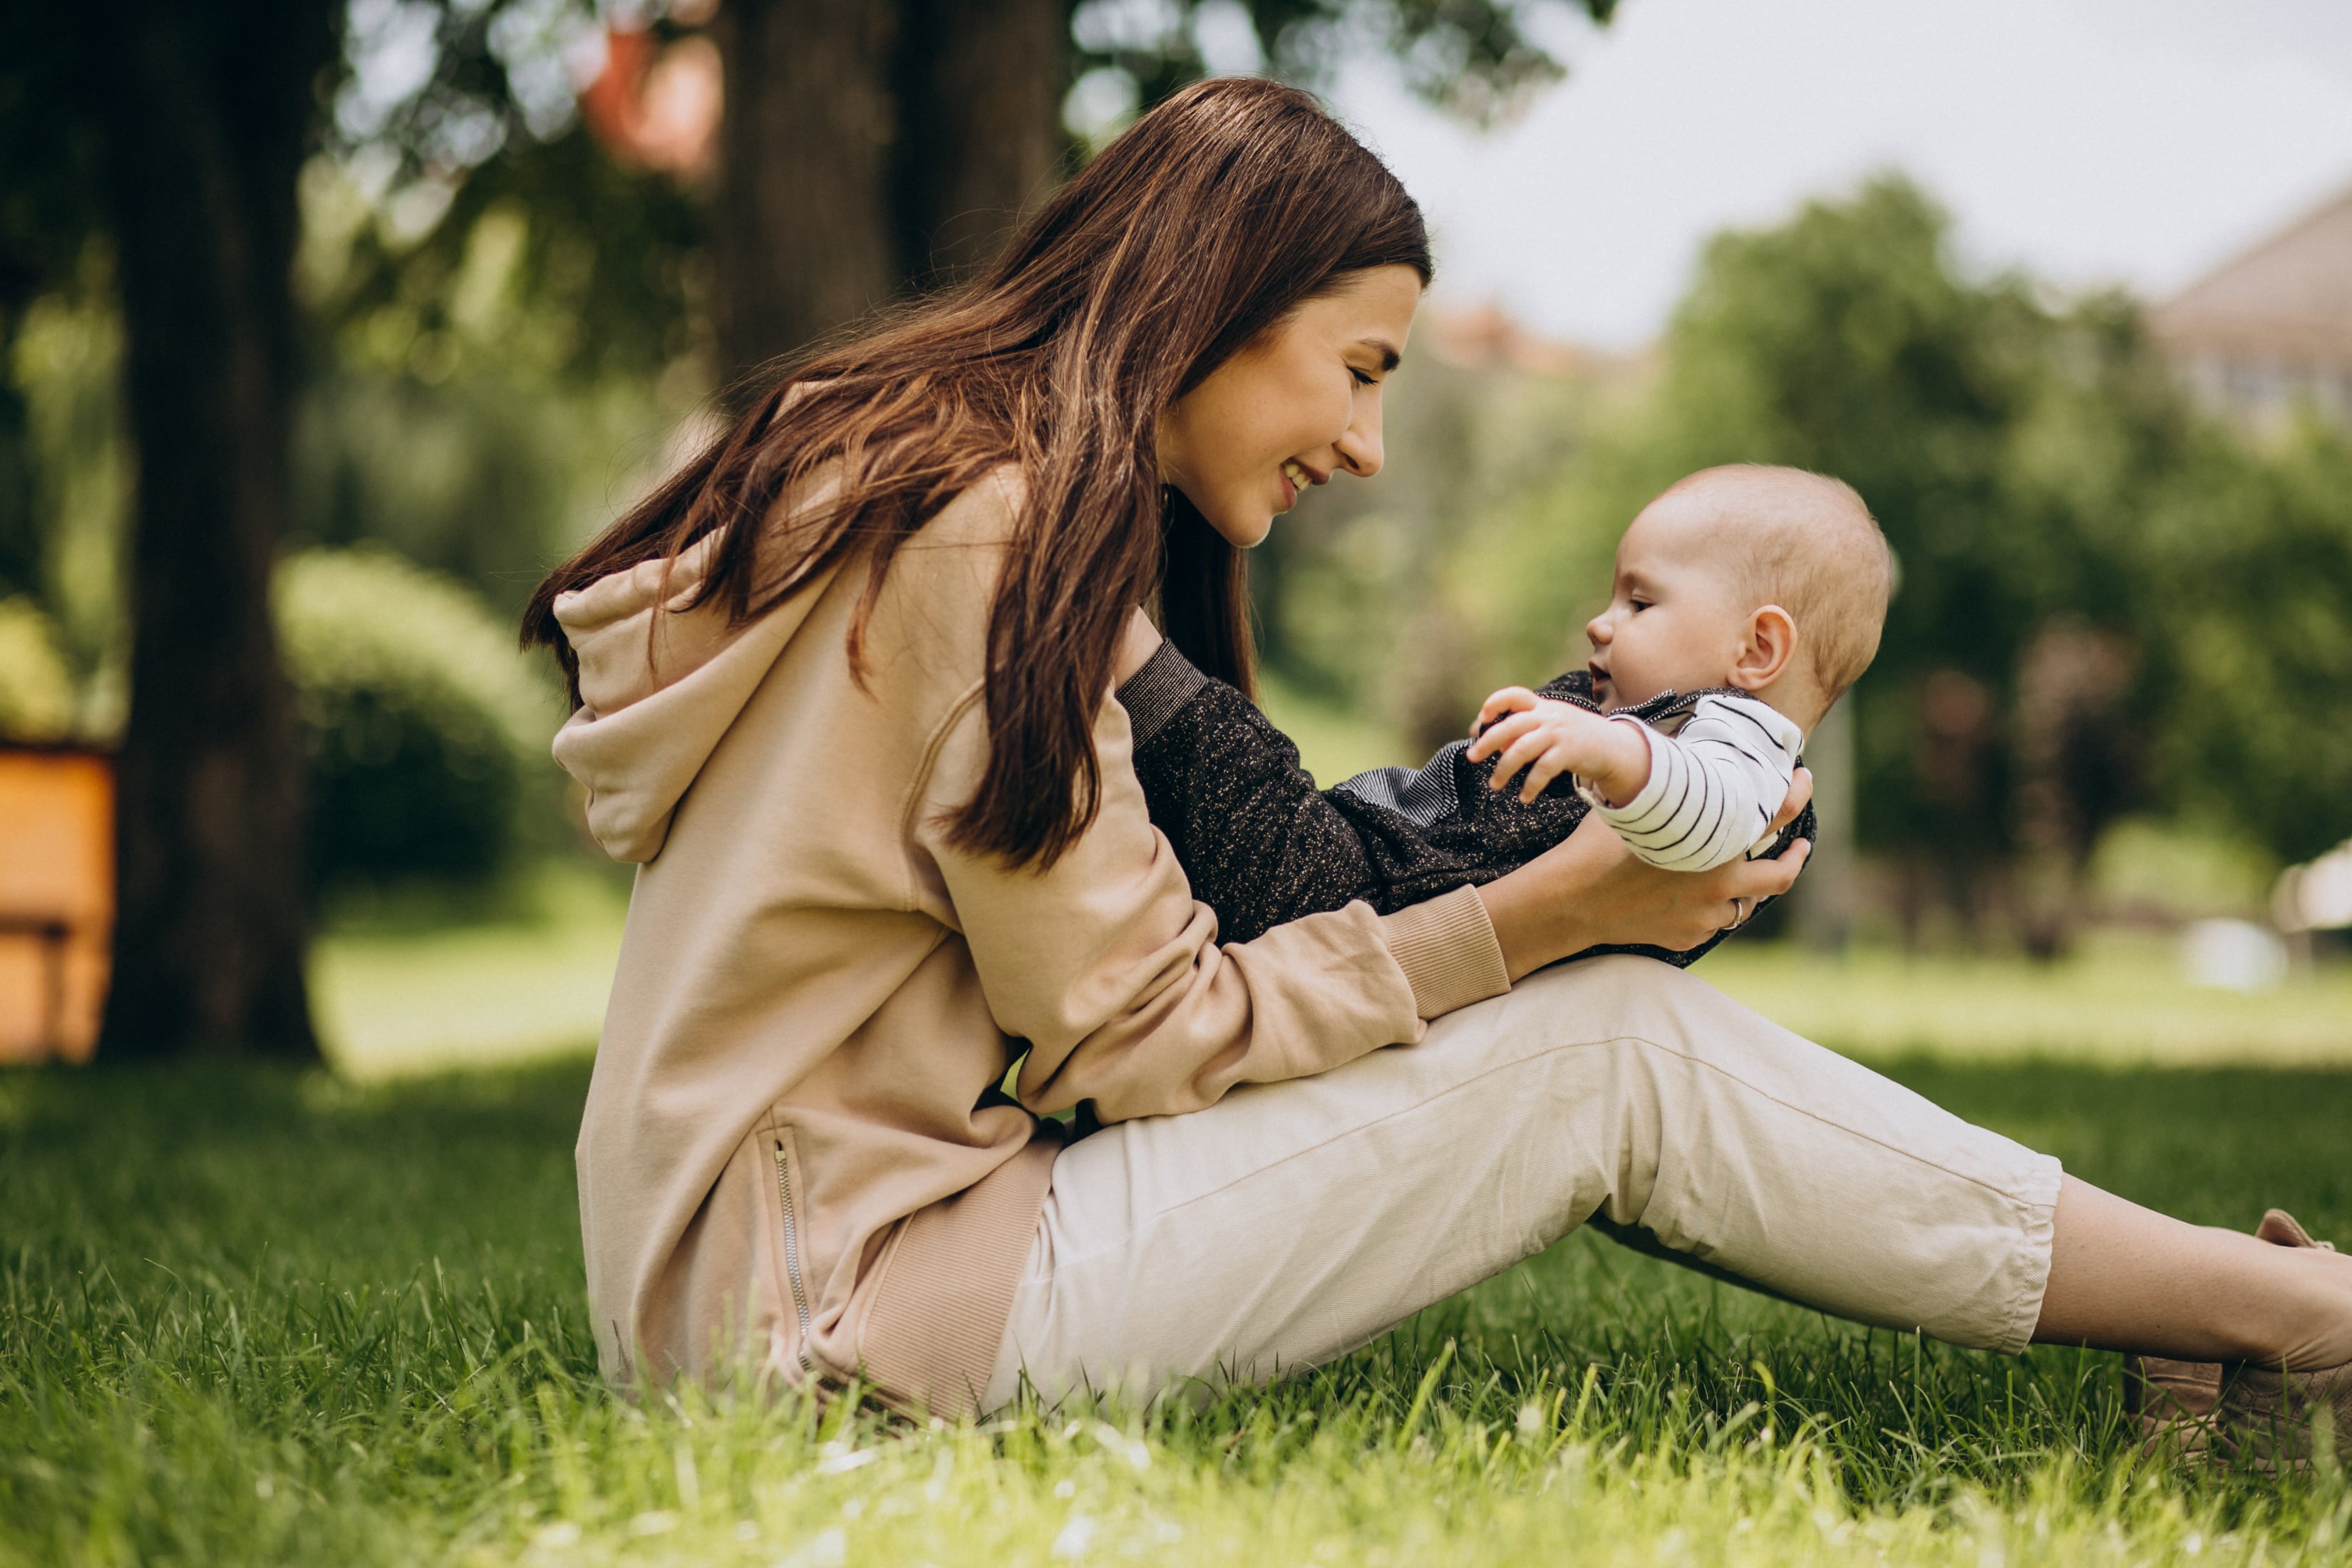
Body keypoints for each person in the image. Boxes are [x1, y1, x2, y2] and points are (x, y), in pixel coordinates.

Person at [522, 78, 2352, 1460]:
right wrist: (1550, 914)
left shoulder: (947, 477)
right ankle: (2294, 1312)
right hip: (828, 1322)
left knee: (1598, 1018)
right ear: (1214, 303)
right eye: (1356, 367)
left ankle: (2229, 1321)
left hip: (807, 1263)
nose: (1371, 443)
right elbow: (1138, 1032)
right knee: (1604, 1041)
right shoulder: (973, 533)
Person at [1113, 462, 1888, 961]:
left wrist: (1611, 751)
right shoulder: (1657, 722)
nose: (1601, 621)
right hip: (1394, 877)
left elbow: (1713, 818)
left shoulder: (1741, 747)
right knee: (1228, 824)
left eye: (1641, 600)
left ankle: (1112, 633)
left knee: (1237, 789)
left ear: (1758, 650)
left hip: (1377, 895)